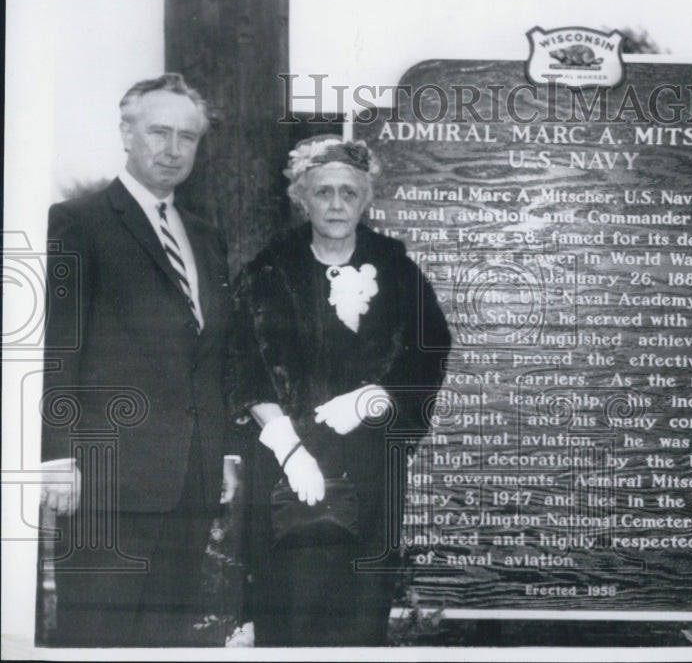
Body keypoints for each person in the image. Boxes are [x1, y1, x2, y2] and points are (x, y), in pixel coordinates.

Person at [227, 135, 450, 646]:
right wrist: (284, 441)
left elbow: (430, 349)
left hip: (369, 474)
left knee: (358, 617)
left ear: (365, 199)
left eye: (348, 193)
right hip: (287, 473)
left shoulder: (396, 270)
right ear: (301, 198)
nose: (335, 204)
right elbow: (241, 363)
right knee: (290, 616)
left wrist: (378, 397)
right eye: (322, 191)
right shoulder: (268, 272)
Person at [39, 73, 235, 646]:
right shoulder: (77, 221)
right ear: (126, 133)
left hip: (190, 483)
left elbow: (211, 352)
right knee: (98, 638)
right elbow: (57, 346)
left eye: (187, 137)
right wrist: (55, 459)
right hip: (106, 482)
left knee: (166, 642)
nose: (173, 149)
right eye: (158, 132)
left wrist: (220, 453)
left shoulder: (205, 235)